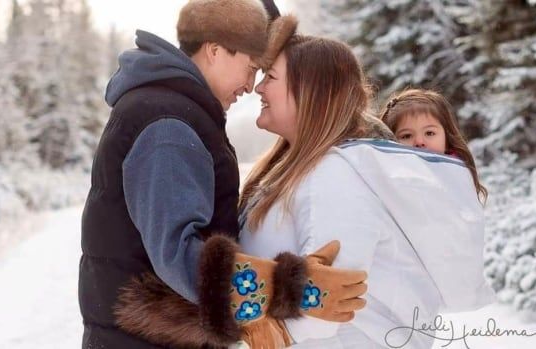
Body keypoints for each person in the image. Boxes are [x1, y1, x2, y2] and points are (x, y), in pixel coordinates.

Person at [78, 1, 367, 348]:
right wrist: (291, 289)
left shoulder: (173, 110)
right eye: (250, 68)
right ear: (215, 51)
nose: (250, 86)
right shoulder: (168, 123)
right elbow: (178, 255)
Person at [237, 35, 496, 348]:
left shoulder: (335, 173)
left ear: (310, 92)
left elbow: (333, 295)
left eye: (271, 77)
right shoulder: (304, 170)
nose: (259, 87)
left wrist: (262, 334)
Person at [380, 88, 488, 202]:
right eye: (406, 136)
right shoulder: (387, 181)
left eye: (429, 133)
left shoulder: (458, 176)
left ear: (447, 138)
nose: (419, 142)